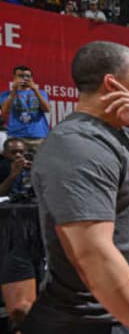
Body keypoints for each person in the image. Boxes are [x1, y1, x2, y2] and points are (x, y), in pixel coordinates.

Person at [24, 41, 129, 333]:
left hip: (127, 317)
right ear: (112, 84)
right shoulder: (76, 146)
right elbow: (94, 256)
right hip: (92, 322)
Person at [0, 138, 39, 332]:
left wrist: (37, 172)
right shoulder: (3, 168)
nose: (18, 156)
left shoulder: (34, 168)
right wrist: (12, 176)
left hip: (33, 221)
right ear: (5, 154)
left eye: (21, 152)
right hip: (9, 226)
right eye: (13, 153)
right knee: (20, 308)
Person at [0, 66, 51, 150]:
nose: (24, 78)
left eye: (28, 76)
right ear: (14, 78)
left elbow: (47, 109)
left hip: (39, 136)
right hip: (16, 136)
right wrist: (14, 90)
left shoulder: (41, 93)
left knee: (40, 162)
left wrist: (35, 89)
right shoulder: (5, 94)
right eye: (20, 76)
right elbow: (5, 110)